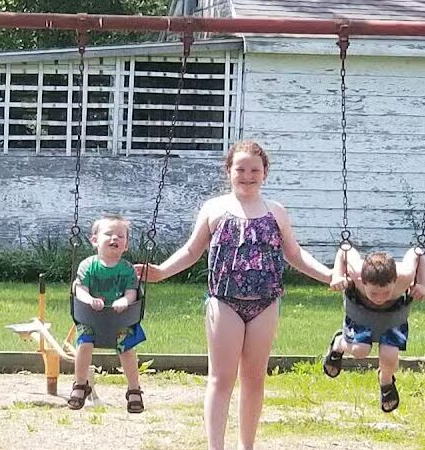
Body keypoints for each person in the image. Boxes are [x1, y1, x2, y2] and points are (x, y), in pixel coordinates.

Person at [136, 141, 341, 450]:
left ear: (265, 173)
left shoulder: (276, 212)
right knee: (221, 378)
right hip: (224, 301)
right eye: (240, 169)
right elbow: (192, 250)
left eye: (254, 170)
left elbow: (294, 253)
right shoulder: (215, 208)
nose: (247, 176)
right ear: (228, 171)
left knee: (254, 378)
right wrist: (162, 271)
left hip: (266, 302)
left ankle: (247, 445)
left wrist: (327, 275)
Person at [324, 246, 425, 413]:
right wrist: (337, 275)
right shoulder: (356, 271)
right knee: (360, 351)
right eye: (373, 293)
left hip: (392, 317)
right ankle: (339, 343)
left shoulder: (405, 274)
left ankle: (386, 381)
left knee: (390, 356)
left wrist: (423, 284)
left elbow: (417, 252)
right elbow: (344, 249)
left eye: (386, 292)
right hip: (361, 314)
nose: (380, 298)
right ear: (362, 281)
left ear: (395, 280)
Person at [68, 214, 145, 414]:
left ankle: (134, 389)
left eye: (121, 236)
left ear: (126, 245)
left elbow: (132, 292)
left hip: (120, 320)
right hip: (91, 319)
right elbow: (80, 289)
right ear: (95, 240)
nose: (115, 239)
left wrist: (124, 301)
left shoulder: (127, 269)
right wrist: (89, 300)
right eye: (109, 234)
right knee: (84, 344)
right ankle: (80, 385)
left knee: (127, 349)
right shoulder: (87, 265)